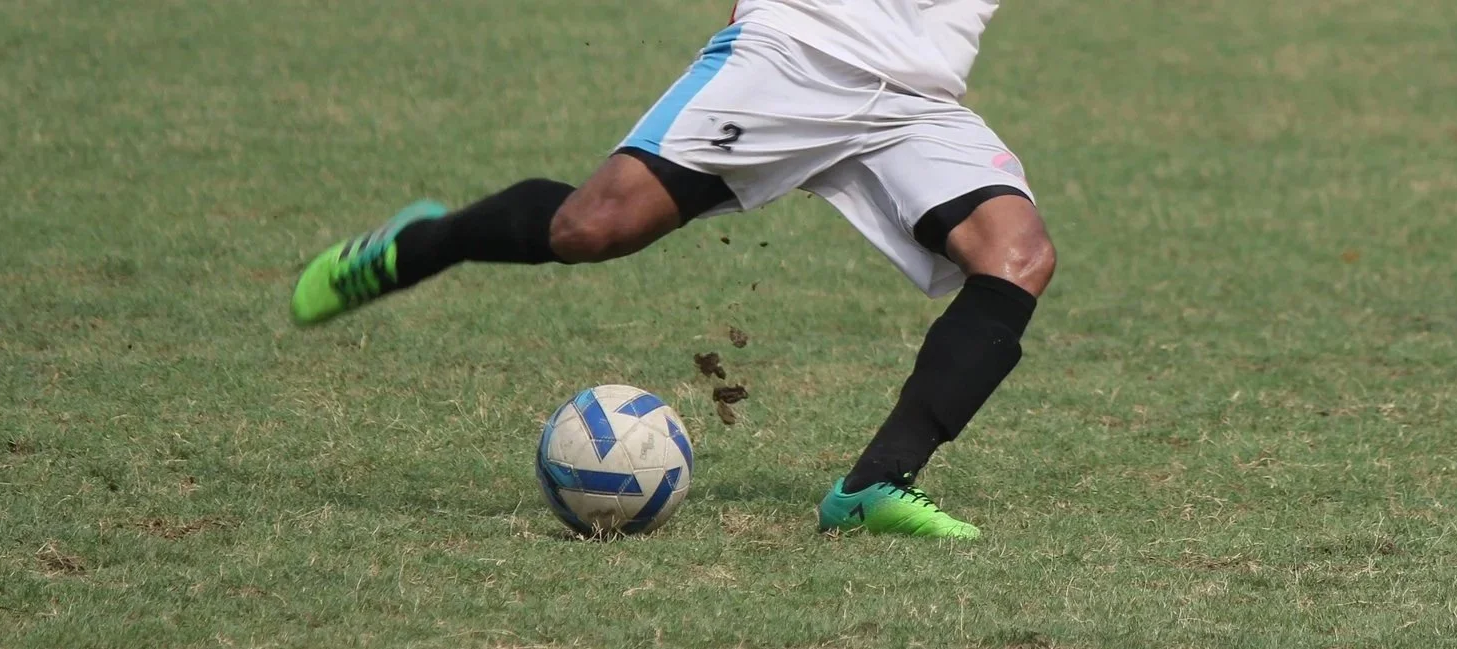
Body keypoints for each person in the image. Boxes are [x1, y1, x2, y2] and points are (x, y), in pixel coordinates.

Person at [289, 0, 1057, 539]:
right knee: (591, 226)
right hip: (801, 49)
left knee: (1016, 257)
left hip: (917, 98)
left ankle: (873, 486)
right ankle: (425, 241)